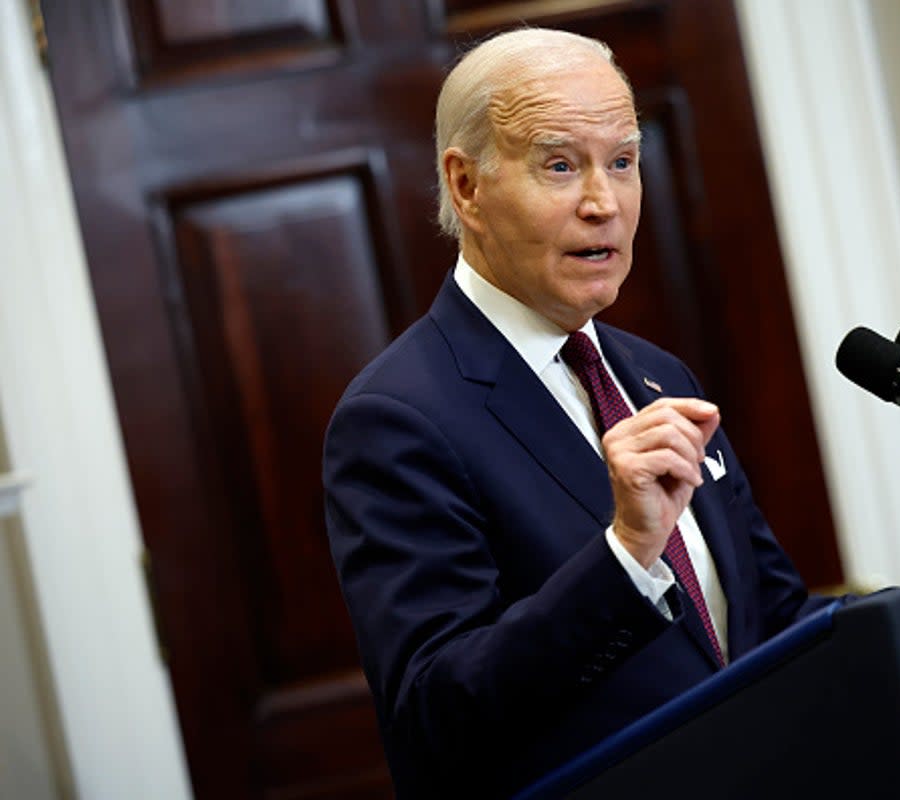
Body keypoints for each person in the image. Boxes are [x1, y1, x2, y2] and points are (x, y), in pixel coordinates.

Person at [323, 27, 828, 798]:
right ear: (466, 186)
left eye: (622, 162)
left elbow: (775, 621)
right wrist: (626, 554)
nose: (603, 203)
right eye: (560, 165)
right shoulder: (397, 418)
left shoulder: (657, 375)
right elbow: (436, 716)